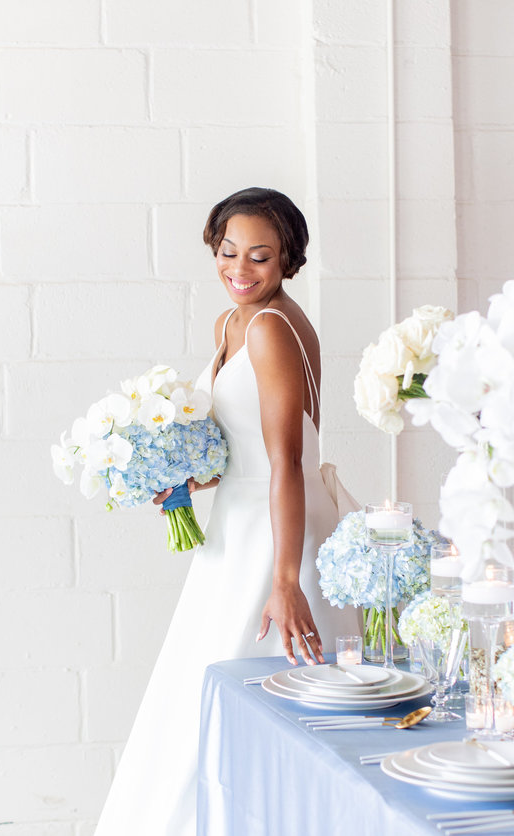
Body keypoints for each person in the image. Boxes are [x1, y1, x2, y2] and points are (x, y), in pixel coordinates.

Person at [94, 187, 361, 835]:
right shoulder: (230, 323)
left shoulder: (271, 328)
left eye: (261, 257)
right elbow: (233, 453)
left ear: (289, 259)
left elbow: (287, 461)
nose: (240, 269)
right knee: (198, 691)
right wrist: (177, 479)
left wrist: (286, 580)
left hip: (278, 536)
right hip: (235, 529)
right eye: (227, 251)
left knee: (259, 702)